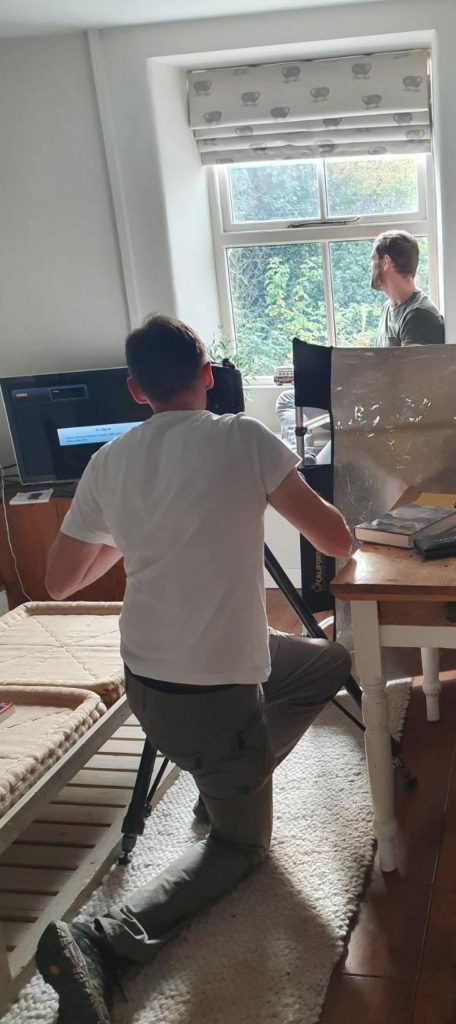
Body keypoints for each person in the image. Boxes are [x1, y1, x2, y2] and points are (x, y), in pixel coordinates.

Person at [35, 315, 353, 1024]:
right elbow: (335, 539)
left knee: (326, 662)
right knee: (242, 848)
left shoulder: (109, 461)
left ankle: (226, 779)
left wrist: (132, 531)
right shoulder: (243, 437)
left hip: (147, 686)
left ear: (135, 389)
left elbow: (58, 582)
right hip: (215, 698)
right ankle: (102, 938)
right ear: (209, 376)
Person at [370, 230, 445, 347]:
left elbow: (412, 360)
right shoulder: (388, 308)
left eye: (373, 260)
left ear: (386, 262)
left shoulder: (419, 316)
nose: (369, 268)